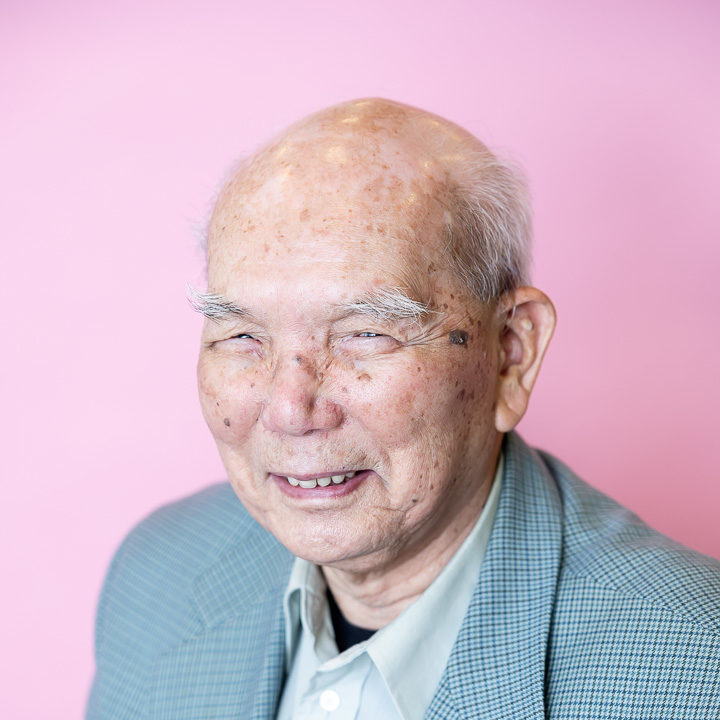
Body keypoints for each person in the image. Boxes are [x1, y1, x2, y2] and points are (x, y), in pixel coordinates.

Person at [86, 98, 720, 720]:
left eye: (365, 332)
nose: (289, 409)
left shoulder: (692, 664)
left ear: (510, 354)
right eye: (242, 335)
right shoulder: (155, 577)